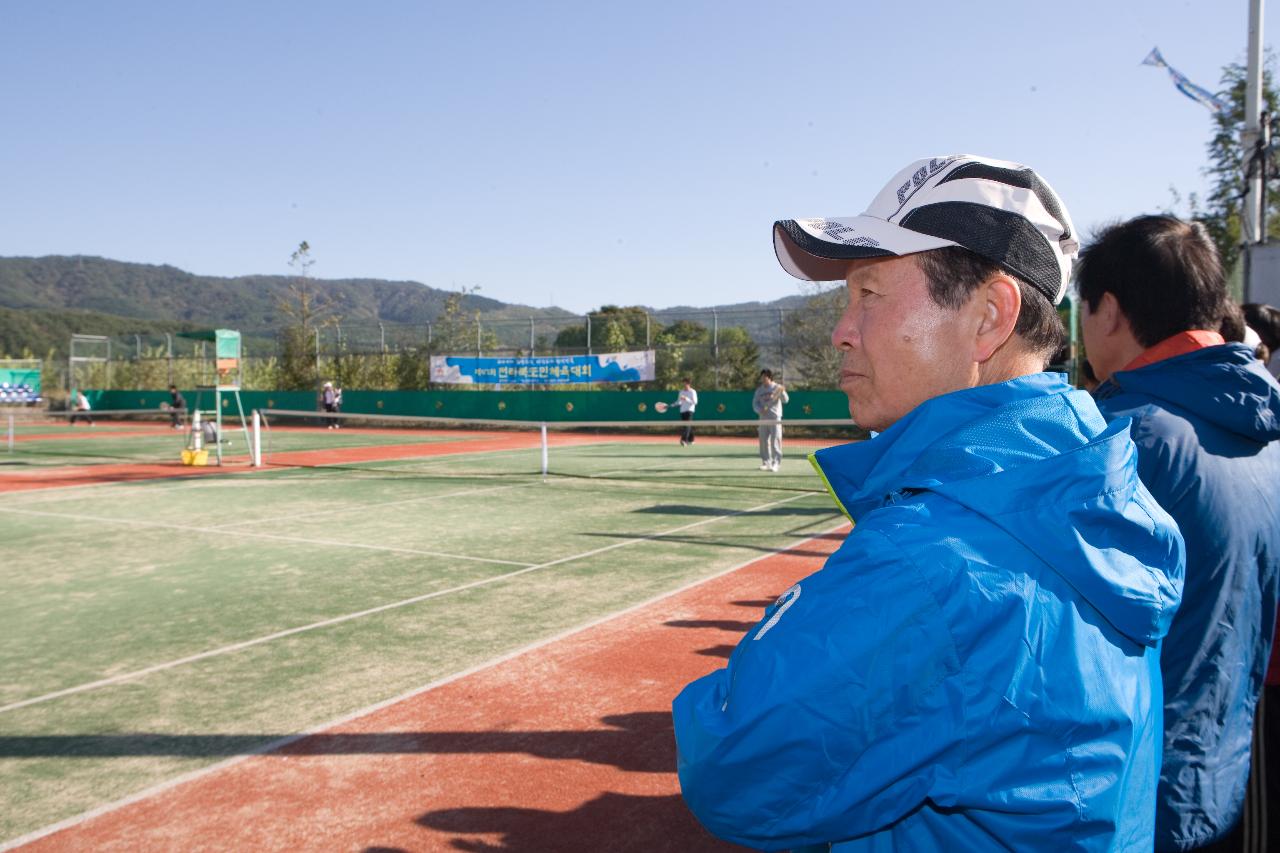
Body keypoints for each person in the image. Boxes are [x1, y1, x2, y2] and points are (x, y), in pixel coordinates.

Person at [673, 155, 1185, 852]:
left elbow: (731, 765)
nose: (841, 331)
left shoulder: (930, 557)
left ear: (990, 317)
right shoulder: (1093, 482)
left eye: (871, 293)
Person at [1078, 216, 1280, 853]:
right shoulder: (1263, 429)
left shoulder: (1121, 439)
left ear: (1108, 310)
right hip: (1223, 770)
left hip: (1130, 799)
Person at [751, 369, 788, 471]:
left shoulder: (777, 388)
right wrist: (760, 410)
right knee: (763, 441)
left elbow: (786, 400)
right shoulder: (759, 390)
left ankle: (776, 463)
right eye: (762, 377)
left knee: (775, 440)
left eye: (765, 377)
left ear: (769, 378)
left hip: (775, 418)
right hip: (763, 419)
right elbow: (755, 403)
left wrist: (782, 392)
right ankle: (766, 462)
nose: (763, 379)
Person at [673, 377, 697, 445]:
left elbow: (695, 402)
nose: (684, 384)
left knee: (687, 426)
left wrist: (686, 398)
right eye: (683, 383)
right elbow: (679, 402)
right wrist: (673, 404)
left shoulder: (693, 392)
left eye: (685, 383)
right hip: (682, 411)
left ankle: (684, 440)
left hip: (689, 411)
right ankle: (691, 439)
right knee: (686, 426)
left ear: (688, 384)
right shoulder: (681, 392)